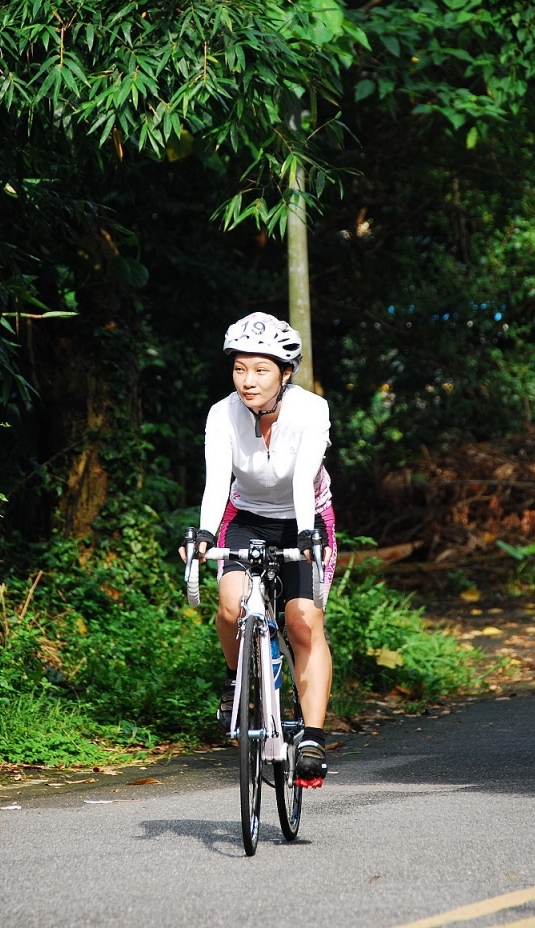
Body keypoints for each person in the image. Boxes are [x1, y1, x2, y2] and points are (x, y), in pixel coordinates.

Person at [184, 312, 337, 785]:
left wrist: (308, 535)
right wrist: (206, 534)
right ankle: (236, 681)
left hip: (305, 520)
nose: (247, 381)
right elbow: (216, 484)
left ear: (285, 373)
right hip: (246, 518)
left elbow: (301, 479)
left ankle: (311, 737)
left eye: (261, 370)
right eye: (239, 368)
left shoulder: (311, 410)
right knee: (231, 607)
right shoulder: (221, 413)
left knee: (302, 622)